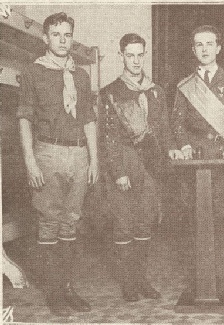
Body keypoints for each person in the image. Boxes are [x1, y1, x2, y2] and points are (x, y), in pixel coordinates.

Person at [17, 12, 98, 316]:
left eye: (67, 35)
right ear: (45, 38)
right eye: (56, 35)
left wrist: (94, 159)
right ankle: (53, 293)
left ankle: (67, 288)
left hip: (78, 154)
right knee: (49, 221)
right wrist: (30, 162)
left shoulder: (81, 75)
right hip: (47, 154)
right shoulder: (33, 71)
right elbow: (24, 118)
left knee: (71, 221)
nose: (62, 41)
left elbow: (88, 118)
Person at [100, 33, 181, 302]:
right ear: (121, 56)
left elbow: (165, 129)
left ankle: (140, 279)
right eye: (130, 55)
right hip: (124, 165)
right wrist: (118, 171)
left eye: (140, 54)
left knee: (145, 224)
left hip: (150, 167)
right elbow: (108, 136)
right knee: (124, 224)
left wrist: (172, 148)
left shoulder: (156, 91)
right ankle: (128, 284)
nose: (135, 60)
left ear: (144, 55)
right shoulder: (111, 91)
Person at [171, 25, 224, 299]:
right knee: (195, 221)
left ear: (218, 48)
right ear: (193, 50)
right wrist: (185, 144)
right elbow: (176, 122)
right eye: (198, 45)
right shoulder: (185, 85)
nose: (204, 49)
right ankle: (197, 280)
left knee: (223, 221)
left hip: (223, 159)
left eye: (209, 44)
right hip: (195, 163)